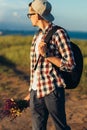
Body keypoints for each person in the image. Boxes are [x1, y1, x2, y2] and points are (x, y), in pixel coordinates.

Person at [25, 0, 76, 130]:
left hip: (52, 90)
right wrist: (31, 90)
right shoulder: (37, 35)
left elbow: (70, 65)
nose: (29, 17)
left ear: (38, 15)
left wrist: (47, 55)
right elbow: (35, 67)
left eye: (30, 14)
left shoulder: (59, 34)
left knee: (60, 127)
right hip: (36, 91)